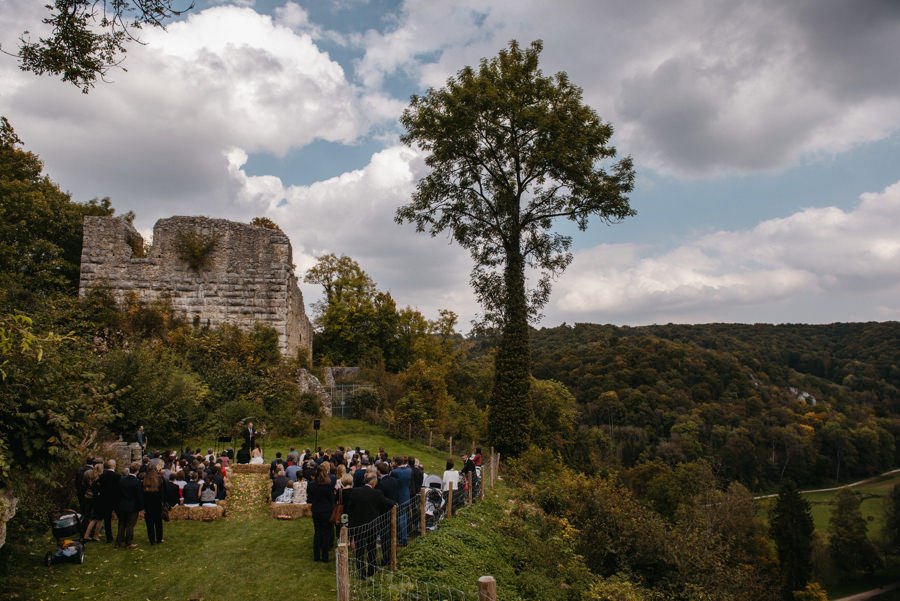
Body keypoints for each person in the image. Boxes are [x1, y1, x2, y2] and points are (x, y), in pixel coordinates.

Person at [346, 472, 396, 577]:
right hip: (371, 525)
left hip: (358, 525)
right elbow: (386, 501)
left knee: (359, 549)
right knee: (371, 548)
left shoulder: (355, 492)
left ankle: (361, 572)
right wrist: (394, 503)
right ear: (373, 483)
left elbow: (349, 508)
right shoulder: (376, 493)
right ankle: (371, 569)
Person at [307, 465, 335, 562]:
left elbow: (309, 498)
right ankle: (325, 556)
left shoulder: (312, 484)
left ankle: (316, 555)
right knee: (326, 533)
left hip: (316, 510)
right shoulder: (328, 485)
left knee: (318, 532)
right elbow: (331, 499)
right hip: (326, 510)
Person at [115, 462, 144, 549]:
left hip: (122, 504)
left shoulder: (122, 480)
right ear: (137, 471)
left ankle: (118, 542)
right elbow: (139, 496)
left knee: (122, 524)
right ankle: (128, 542)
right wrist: (141, 507)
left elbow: (118, 493)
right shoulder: (137, 482)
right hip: (132, 506)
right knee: (130, 525)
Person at [97, 459, 121, 543]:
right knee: (121, 518)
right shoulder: (117, 476)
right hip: (115, 499)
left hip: (105, 499)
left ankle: (109, 537)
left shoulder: (102, 476)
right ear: (114, 466)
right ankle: (120, 535)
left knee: (107, 519)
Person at [391, 456, 412, 544]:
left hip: (398, 496)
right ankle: (403, 537)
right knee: (403, 516)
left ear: (396, 463)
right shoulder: (409, 470)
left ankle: (402, 538)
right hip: (406, 495)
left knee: (400, 517)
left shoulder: (395, 472)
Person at [142, 465, 165, 545]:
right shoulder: (159, 480)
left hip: (148, 504)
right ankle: (159, 538)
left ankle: (152, 540)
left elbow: (142, 494)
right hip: (157, 503)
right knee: (158, 522)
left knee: (149, 523)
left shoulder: (144, 480)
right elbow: (162, 493)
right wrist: (162, 502)